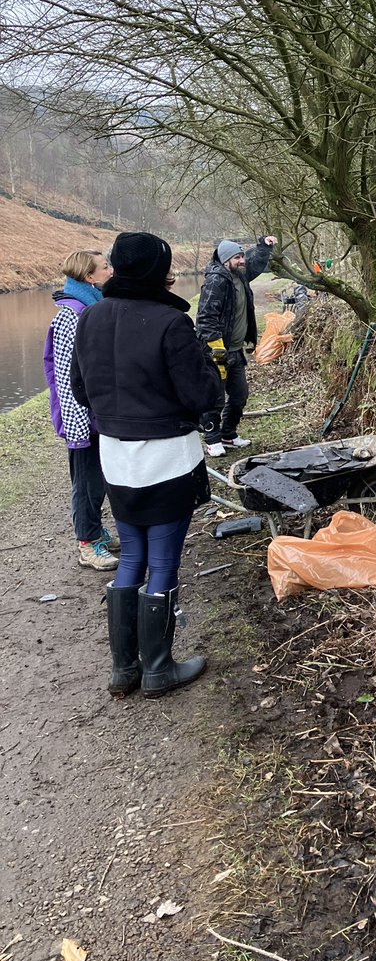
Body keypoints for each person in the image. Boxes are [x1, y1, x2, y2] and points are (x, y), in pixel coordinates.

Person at [71, 232, 222, 699]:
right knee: (162, 562)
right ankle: (157, 669)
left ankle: (124, 670)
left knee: (131, 557)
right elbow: (203, 396)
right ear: (159, 270)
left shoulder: (91, 317)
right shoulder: (170, 322)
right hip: (166, 460)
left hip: (116, 457)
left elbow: (80, 389)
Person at [43, 250, 119, 571]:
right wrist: (81, 425)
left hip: (96, 413)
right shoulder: (70, 315)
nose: (110, 271)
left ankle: (95, 531)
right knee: (87, 483)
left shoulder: (91, 306)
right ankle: (87, 543)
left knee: (99, 478)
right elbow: (65, 376)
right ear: (89, 277)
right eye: (105, 268)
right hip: (83, 419)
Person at [195, 235, 277, 457]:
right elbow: (205, 318)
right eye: (237, 257)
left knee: (240, 395)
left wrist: (263, 246)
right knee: (215, 399)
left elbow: (258, 263)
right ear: (225, 261)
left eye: (242, 256)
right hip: (216, 351)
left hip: (235, 351)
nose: (242, 260)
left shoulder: (240, 276)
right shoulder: (217, 281)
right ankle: (212, 439)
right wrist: (216, 347)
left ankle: (228, 434)